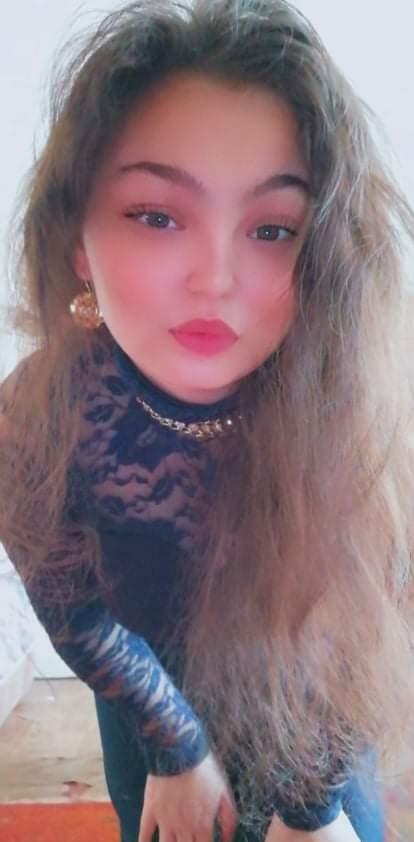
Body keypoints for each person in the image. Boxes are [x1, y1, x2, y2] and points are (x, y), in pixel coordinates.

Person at [1, 0, 413, 840]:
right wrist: (176, 745)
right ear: (78, 242)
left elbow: (365, 635)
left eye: (273, 228)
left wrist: (312, 812)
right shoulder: (36, 419)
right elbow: (71, 605)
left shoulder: (361, 409)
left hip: (317, 715)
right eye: (157, 216)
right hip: (140, 685)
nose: (216, 279)